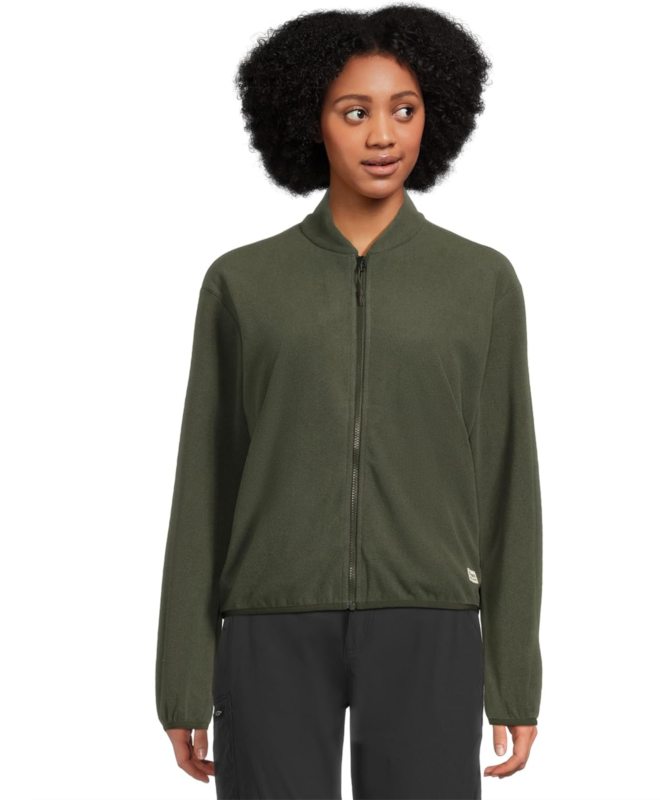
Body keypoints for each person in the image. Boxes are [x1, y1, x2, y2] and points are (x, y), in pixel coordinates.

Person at [155, 5, 543, 798]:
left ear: (434, 116)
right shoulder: (243, 283)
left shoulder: (481, 283)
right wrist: (183, 677)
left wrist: (513, 676)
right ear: (311, 120)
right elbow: (205, 481)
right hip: (270, 622)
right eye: (355, 112)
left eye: (405, 109)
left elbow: (508, 483)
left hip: (429, 619)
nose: (383, 136)